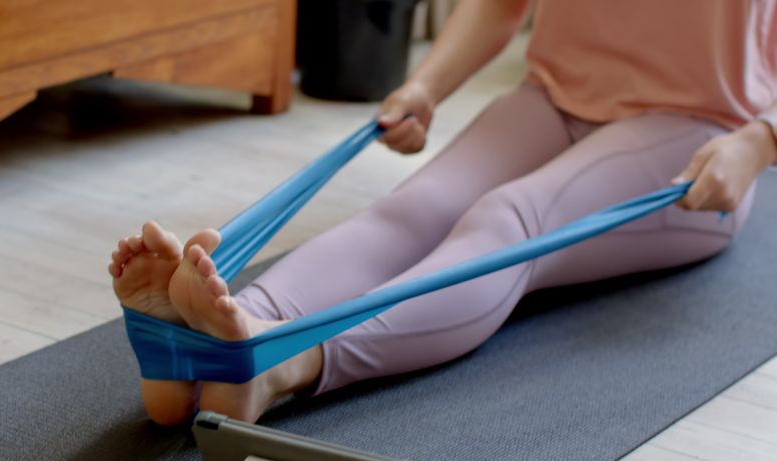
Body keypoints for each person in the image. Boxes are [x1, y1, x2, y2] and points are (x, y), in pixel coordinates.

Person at [109, 0, 777, 425]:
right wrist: (427, 85)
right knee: (414, 208)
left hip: (696, 136)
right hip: (554, 97)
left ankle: (281, 364)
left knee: (511, 219)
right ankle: (212, 340)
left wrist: (760, 140)